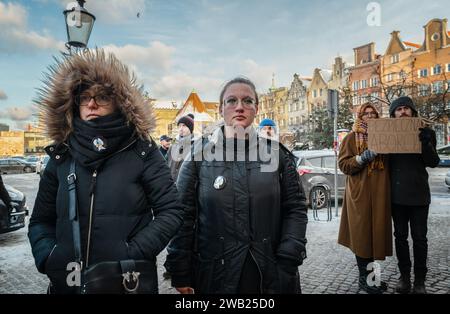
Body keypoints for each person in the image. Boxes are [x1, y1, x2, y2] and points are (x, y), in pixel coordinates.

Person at [28, 49, 183, 294]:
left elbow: (171, 211)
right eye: (84, 97)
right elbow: (40, 220)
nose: (91, 103)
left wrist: (132, 253)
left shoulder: (142, 151)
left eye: (102, 97)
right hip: (67, 283)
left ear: (119, 103)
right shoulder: (61, 155)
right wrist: (48, 256)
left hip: (127, 283)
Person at [165, 77, 308, 294]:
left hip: (270, 273)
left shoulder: (277, 156)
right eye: (231, 100)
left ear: (256, 109)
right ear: (221, 109)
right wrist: (180, 268)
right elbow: (182, 215)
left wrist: (289, 254)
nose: (239, 106)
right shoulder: (198, 156)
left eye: (247, 101)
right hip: (215, 273)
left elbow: (295, 207)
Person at [338, 103, 392, 294]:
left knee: (375, 239)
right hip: (359, 196)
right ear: (361, 117)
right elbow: (343, 165)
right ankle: (365, 281)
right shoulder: (352, 138)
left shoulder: (386, 139)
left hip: (379, 196)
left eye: (373, 113)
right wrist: (362, 158)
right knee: (363, 238)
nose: (369, 116)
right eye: (366, 114)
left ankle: (373, 279)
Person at [388, 96, 440, 294]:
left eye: (406, 108)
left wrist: (426, 143)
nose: (403, 112)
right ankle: (404, 277)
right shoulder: (389, 134)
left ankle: (420, 281)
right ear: (393, 114)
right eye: (398, 109)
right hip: (397, 196)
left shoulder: (427, 132)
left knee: (420, 239)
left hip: (418, 195)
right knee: (400, 238)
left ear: (412, 112)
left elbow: (433, 162)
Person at [167, 114, 195, 182]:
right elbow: (168, 161)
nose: (181, 128)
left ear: (190, 128)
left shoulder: (195, 145)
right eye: (179, 126)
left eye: (184, 126)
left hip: (185, 184)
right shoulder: (174, 144)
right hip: (171, 183)